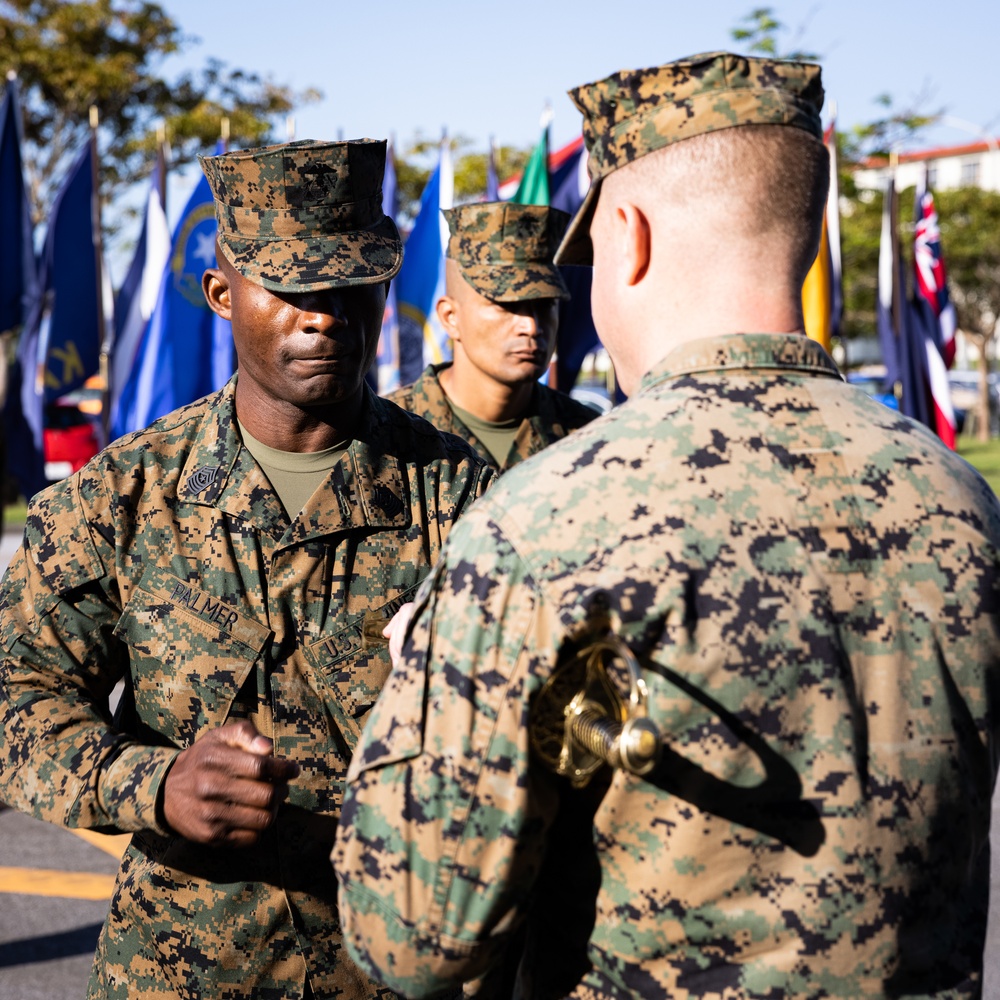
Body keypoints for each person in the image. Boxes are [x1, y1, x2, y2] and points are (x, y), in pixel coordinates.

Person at [332, 52, 1000, 999]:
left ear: (628, 234)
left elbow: (412, 941)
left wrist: (417, 690)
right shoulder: (959, 498)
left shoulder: (546, 520)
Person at [0, 137, 492, 1000]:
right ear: (223, 295)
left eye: (351, 284)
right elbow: (17, 702)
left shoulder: (471, 499)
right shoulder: (123, 496)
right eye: (292, 287)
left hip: (401, 971)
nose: (325, 314)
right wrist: (154, 785)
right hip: (182, 968)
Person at [388, 202, 597, 473]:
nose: (531, 327)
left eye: (545, 305)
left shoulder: (592, 437)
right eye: (506, 304)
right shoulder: (383, 436)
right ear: (451, 317)